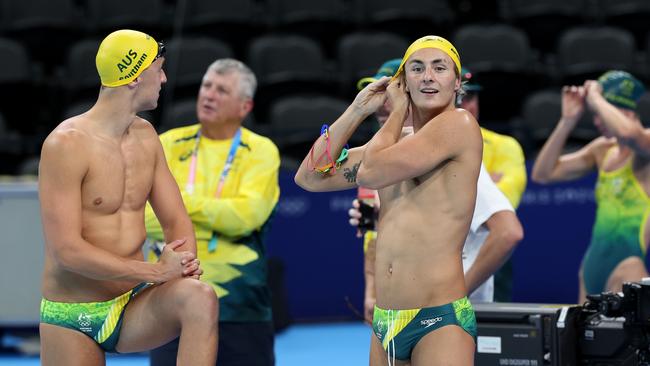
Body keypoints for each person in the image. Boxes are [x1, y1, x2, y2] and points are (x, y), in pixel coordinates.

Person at [296, 35, 481, 365]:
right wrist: (359, 108)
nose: (428, 76)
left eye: (440, 68)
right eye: (417, 68)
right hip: (386, 321)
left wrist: (396, 113)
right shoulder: (395, 146)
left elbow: (370, 172)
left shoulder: (459, 125)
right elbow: (309, 175)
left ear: (456, 83)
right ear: (404, 82)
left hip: (438, 319)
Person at [38, 29, 218, 366]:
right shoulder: (66, 144)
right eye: (159, 69)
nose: (164, 79)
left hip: (132, 304)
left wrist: (184, 266)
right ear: (135, 77)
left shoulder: (146, 136)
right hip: (72, 312)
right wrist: (152, 271)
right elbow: (67, 251)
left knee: (199, 297)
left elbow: (176, 220)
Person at [352, 62, 524, 322]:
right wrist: (372, 293)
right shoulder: (379, 161)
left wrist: (453, 297)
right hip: (401, 311)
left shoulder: (456, 157)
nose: (382, 104)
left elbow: (508, 232)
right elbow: (314, 175)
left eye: (391, 93)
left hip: (448, 316)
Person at [145, 58, 280, 366]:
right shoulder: (165, 143)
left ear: (244, 107)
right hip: (173, 300)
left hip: (240, 304)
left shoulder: (261, 150)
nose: (209, 95)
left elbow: (247, 217)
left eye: (222, 90)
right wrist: (213, 214)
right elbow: (143, 219)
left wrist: (180, 207)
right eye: (207, 86)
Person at [531, 70, 649, 303]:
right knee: (583, 339)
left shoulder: (644, 145)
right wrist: (567, 122)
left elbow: (628, 133)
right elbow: (542, 173)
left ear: (621, 109)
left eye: (599, 114)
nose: (595, 121)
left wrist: (595, 97)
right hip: (591, 269)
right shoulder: (602, 150)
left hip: (629, 267)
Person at [458, 68, 527, 303]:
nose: (466, 105)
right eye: (459, 98)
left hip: (487, 252)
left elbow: (506, 201)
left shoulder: (505, 145)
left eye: (470, 98)